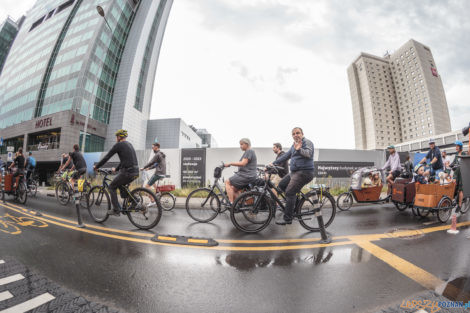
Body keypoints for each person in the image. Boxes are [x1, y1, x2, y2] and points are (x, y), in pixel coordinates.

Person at [272, 127, 314, 225]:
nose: (295, 135)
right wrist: (273, 163)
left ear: (302, 134)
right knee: (281, 185)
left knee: (290, 192)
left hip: (304, 172)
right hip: (294, 173)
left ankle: (288, 218)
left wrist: (299, 150)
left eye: (298, 133)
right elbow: (286, 156)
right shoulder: (293, 145)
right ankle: (295, 206)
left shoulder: (307, 142)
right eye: (293, 134)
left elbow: (308, 154)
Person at [94, 129, 139, 215]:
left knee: (111, 187)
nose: (116, 138)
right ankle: (134, 200)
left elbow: (107, 157)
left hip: (127, 172)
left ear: (119, 137)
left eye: (116, 137)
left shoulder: (118, 145)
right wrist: (117, 169)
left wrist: (97, 166)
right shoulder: (130, 144)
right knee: (121, 185)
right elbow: (125, 160)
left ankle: (116, 209)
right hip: (135, 171)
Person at [224, 138, 257, 204]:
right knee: (233, 189)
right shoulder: (249, 152)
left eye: (241, 144)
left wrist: (230, 163)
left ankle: (231, 203)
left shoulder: (249, 151)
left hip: (246, 175)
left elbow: (243, 163)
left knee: (227, 182)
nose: (240, 146)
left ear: (246, 144)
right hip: (248, 175)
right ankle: (241, 203)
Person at [450, 140, 466, 215]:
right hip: (456, 173)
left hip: (462, 174)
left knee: (460, 189)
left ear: (460, 147)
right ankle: (454, 200)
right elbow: (453, 163)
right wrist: (449, 166)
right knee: (453, 186)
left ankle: (459, 205)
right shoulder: (456, 154)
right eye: (455, 146)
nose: (456, 147)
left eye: (457, 146)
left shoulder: (463, 154)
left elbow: (463, 164)